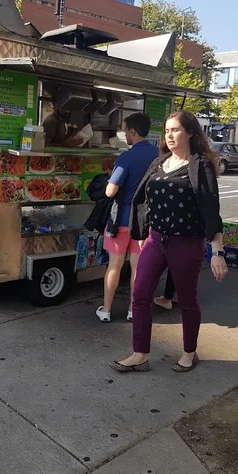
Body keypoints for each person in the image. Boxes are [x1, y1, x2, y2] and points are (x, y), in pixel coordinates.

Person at [109, 111, 228, 373]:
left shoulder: (200, 166)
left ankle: (189, 352)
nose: (170, 135)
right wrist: (141, 235)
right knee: (140, 295)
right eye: (166, 131)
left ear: (190, 133)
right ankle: (139, 354)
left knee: (186, 299)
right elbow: (144, 201)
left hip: (186, 242)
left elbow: (211, 210)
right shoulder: (160, 162)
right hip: (156, 240)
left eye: (175, 130)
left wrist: (217, 251)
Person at [96, 113, 159, 323]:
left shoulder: (126, 157)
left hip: (121, 221)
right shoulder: (159, 155)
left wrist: (107, 180)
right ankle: (133, 310)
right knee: (137, 268)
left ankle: (106, 309)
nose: (125, 135)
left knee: (114, 266)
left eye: (126, 131)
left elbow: (110, 192)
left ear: (133, 131)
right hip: (144, 223)